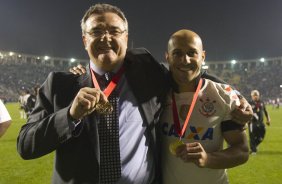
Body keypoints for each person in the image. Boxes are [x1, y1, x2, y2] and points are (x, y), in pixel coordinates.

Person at [17, 3, 251, 184]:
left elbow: (187, 71)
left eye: (114, 31)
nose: (106, 37)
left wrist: (236, 97)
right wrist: (69, 115)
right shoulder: (60, 84)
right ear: (84, 39)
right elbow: (25, 145)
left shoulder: (147, 71)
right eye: (96, 30)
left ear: (126, 38)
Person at [159, 29, 249, 184]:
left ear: (203, 56)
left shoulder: (223, 95)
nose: (185, 60)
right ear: (167, 57)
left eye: (192, 53)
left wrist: (208, 159)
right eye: (177, 53)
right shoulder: (155, 93)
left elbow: (241, 150)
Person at [248, 90, 270, 154]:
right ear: (251, 96)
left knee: (261, 137)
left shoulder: (262, 102)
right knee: (252, 136)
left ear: (259, 95)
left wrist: (268, 119)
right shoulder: (249, 103)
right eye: (254, 95)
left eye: (256, 95)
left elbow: (265, 111)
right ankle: (253, 150)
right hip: (252, 123)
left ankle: (254, 146)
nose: (255, 97)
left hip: (261, 123)